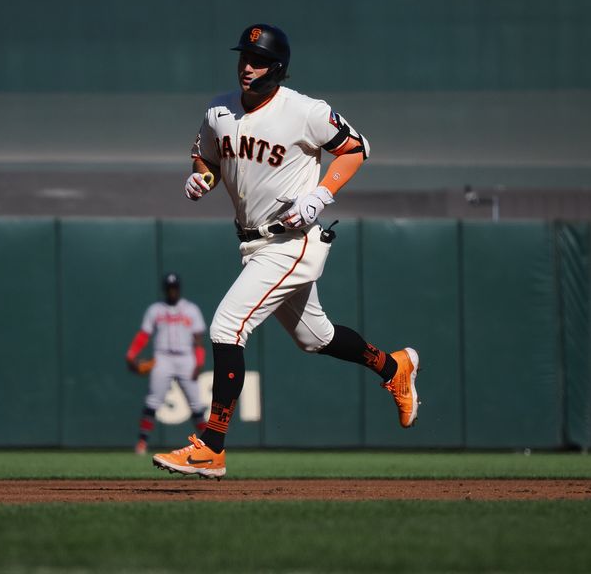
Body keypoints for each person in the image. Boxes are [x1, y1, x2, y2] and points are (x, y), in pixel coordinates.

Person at [152, 24, 419, 478]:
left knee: (227, 325)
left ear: (277, 69)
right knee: (316, 337)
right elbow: (208, 158)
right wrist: (202, 178)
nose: (246, 66)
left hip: (293, 240)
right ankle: (393, 366)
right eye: (243, 57)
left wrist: (320, 194)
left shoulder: (304, 112)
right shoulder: (219, 109)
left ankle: (211, 445)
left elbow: (355, 149)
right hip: (254, 243)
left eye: (257, 59)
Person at [126, 272, 207, 455]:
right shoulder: (155, 310)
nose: (172, 291)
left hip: (186, 358)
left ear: (179, 289)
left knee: (196, 404)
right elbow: (144, 335)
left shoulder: (191, 309)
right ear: (165, 289)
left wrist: (199, 362)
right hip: (162, 358)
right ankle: (141, 443)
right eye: (169, 288)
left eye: (175, 288)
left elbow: (198, 339)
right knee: (152, 401)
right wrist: (131, 354)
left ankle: (208, 444)